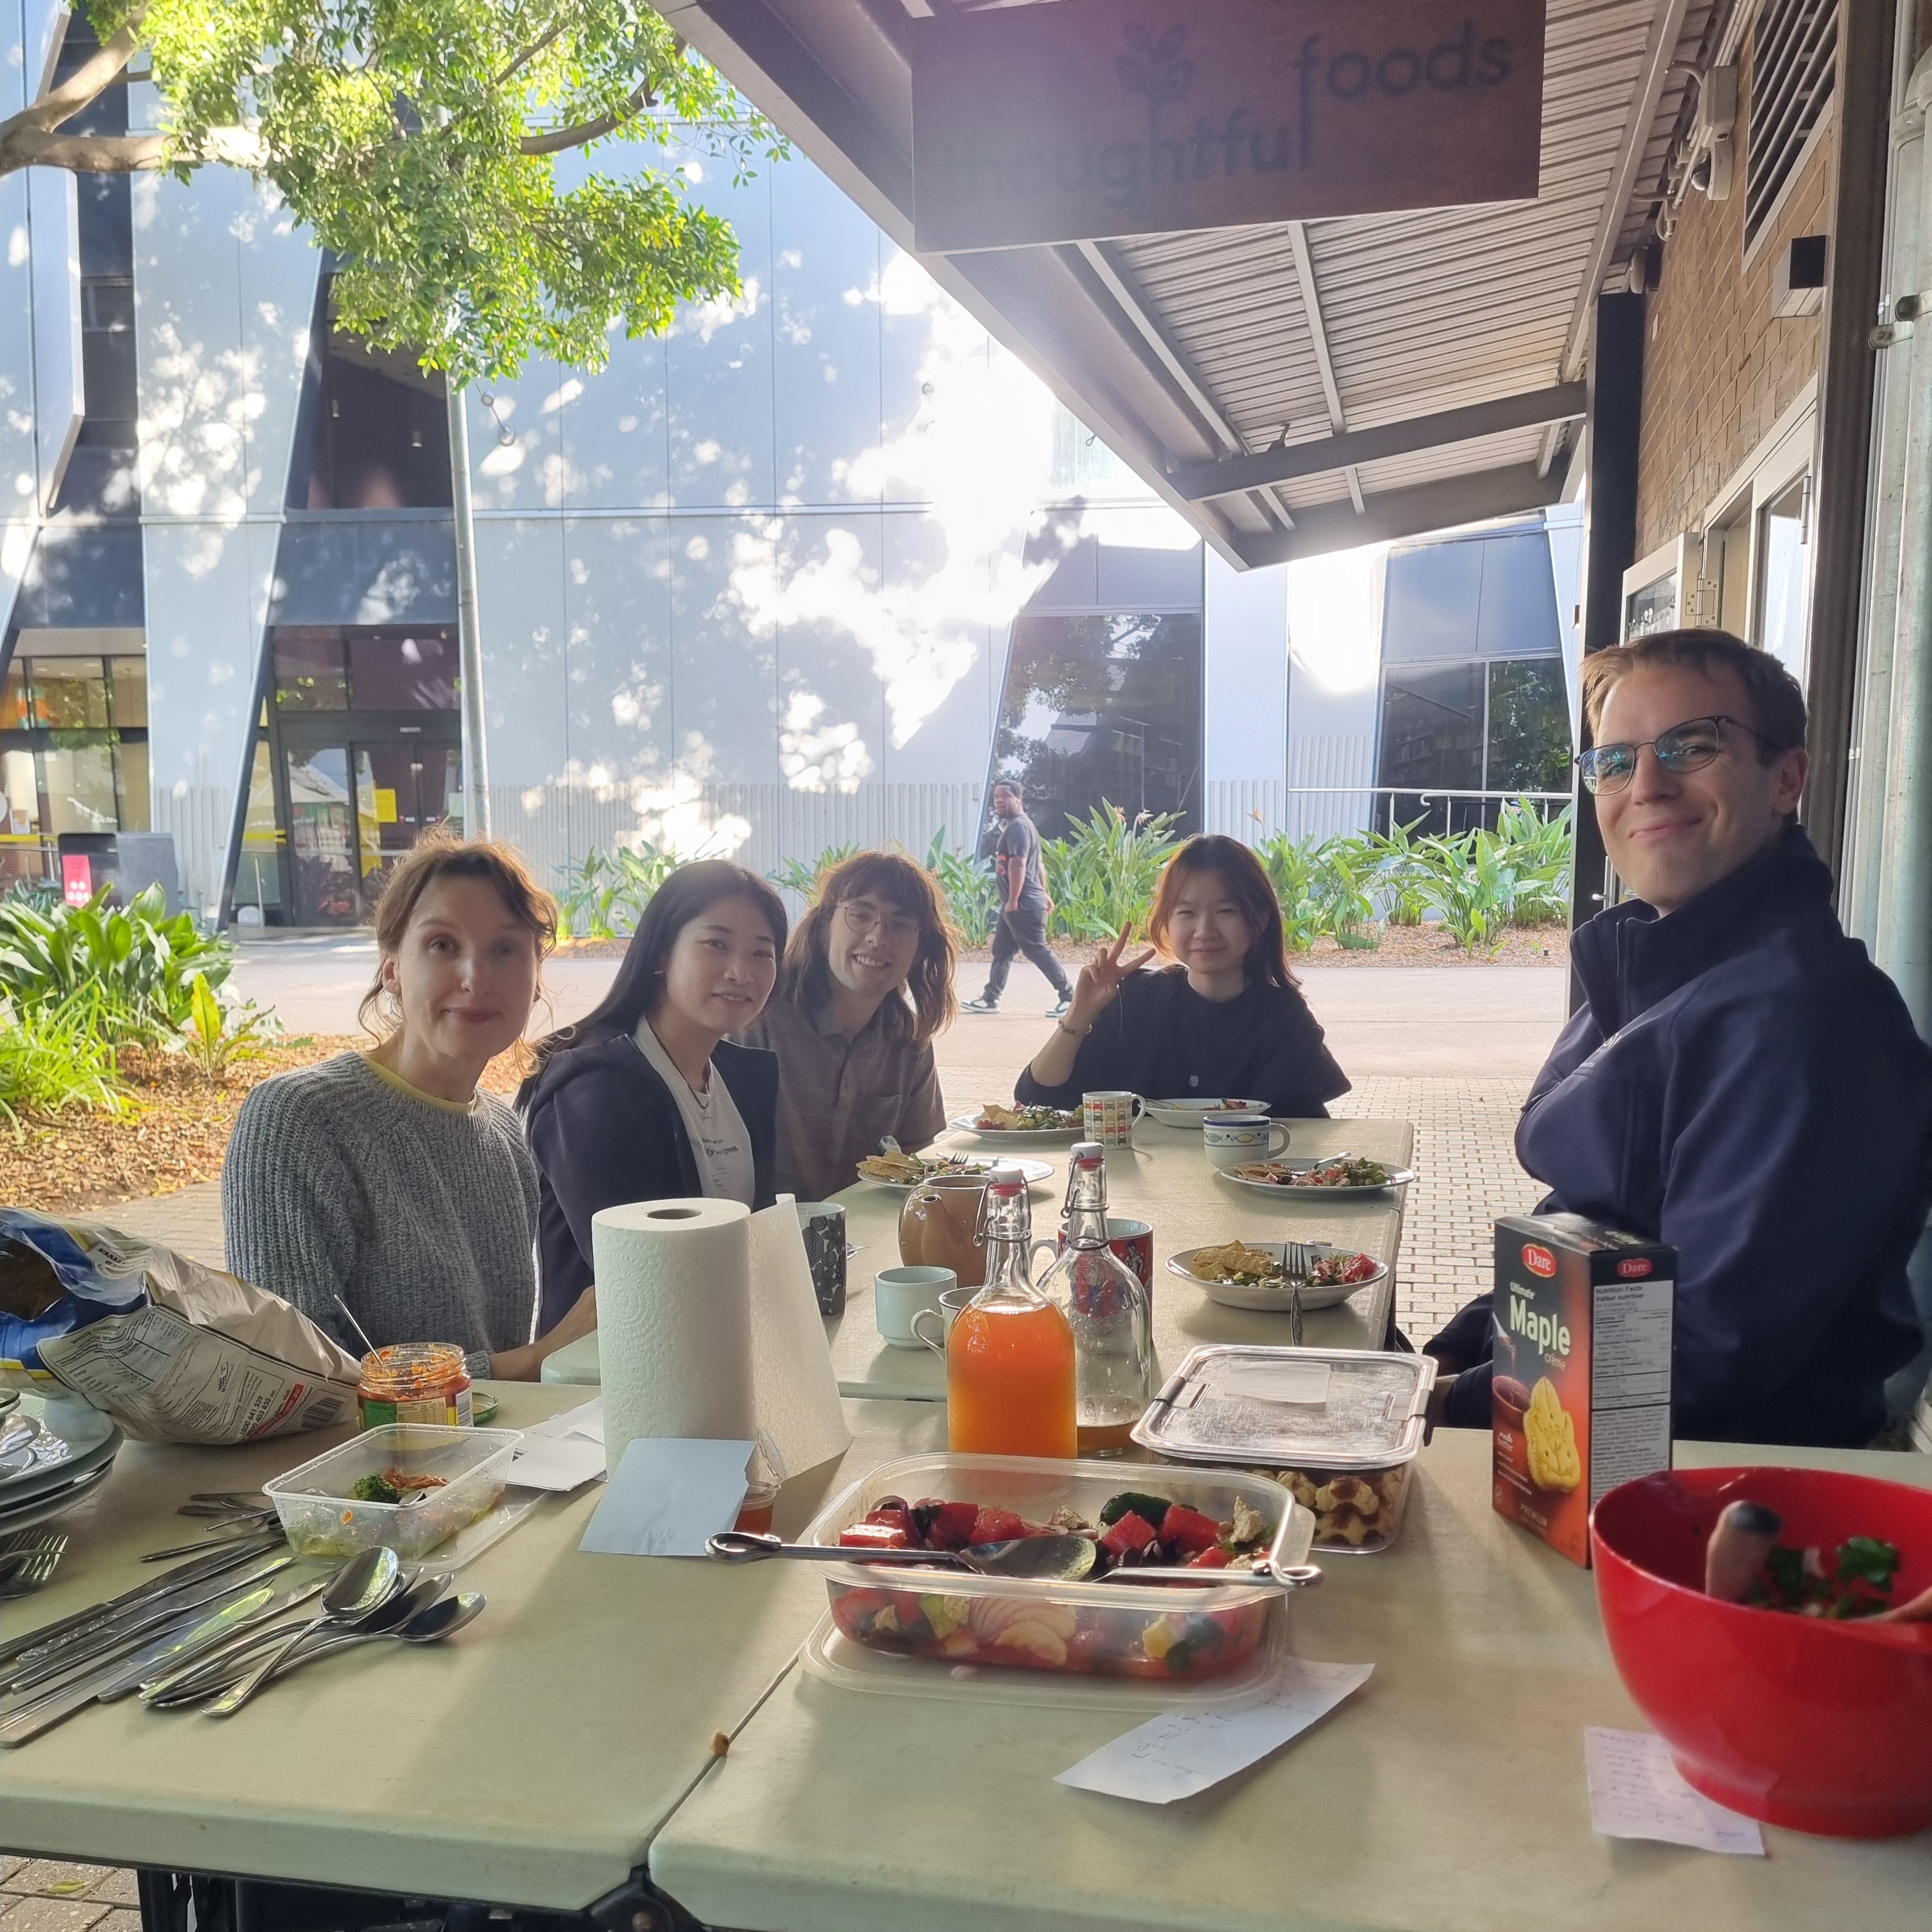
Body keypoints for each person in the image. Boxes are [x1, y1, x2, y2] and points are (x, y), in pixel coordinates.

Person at [1427, 627, 1932, 1448]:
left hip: (1711, 1493)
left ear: (1786, 778)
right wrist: (1456, 1348)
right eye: (1616, 761)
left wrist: (1451, 1404)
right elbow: (1587, 1223)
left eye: (1691, 745)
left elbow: (1702, 1347)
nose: (1647, 786)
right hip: (1591, 1446)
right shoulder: (1657, 971)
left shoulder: (1809, 1021)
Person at [224, 836, 594, 1381]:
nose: (476, 977)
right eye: (443, 945)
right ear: (392, 968)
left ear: (536, 980)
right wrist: (541, 1358)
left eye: (506, 949)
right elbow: (298, 1382)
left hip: (496, 1460)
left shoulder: (504, 1136)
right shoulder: (297, 1119)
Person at [521, 861, 787, 1330]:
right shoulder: (593, 1085)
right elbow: (639, 1270)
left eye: (761, 954)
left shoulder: (744, 1078)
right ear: (662, 954)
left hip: (721, 1341)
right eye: (716, 944)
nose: (741, 972)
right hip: (609, 1368)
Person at [1013, 832, 1349, 1118]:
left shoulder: (1283, 1017)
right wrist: (1079, 1015)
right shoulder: (1134, 999)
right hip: (1140, 1191)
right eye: (1187, 912)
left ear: (1259, 919)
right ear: (1166, 922)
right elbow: (1037, 1098)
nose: (1205, 931)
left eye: (1226, 911)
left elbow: (1306, 1133)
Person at [738, 849, 954, 1201]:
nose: (878, 938)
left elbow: (918, 1163)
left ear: (920, 946)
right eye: (861, 915)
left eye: (899, 924)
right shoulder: (761, 1019)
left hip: (867, 1242)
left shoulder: (909, 1040)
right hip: (764, 1240)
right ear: (824, 926)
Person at [961, 779, 1077, 1016]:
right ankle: (990, 998)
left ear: (1019, 799)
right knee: (1002, 951)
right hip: (1017, 903)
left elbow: (1019, 863)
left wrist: (1014, 900)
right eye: (996, 797)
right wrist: (1045, 894)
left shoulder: (1019, 828)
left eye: (1004, 796)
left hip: (1022, 904)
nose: (999, 801)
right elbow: (1040, 865)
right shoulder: (1022, 826)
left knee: (1037, 949)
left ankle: (1070, 997)